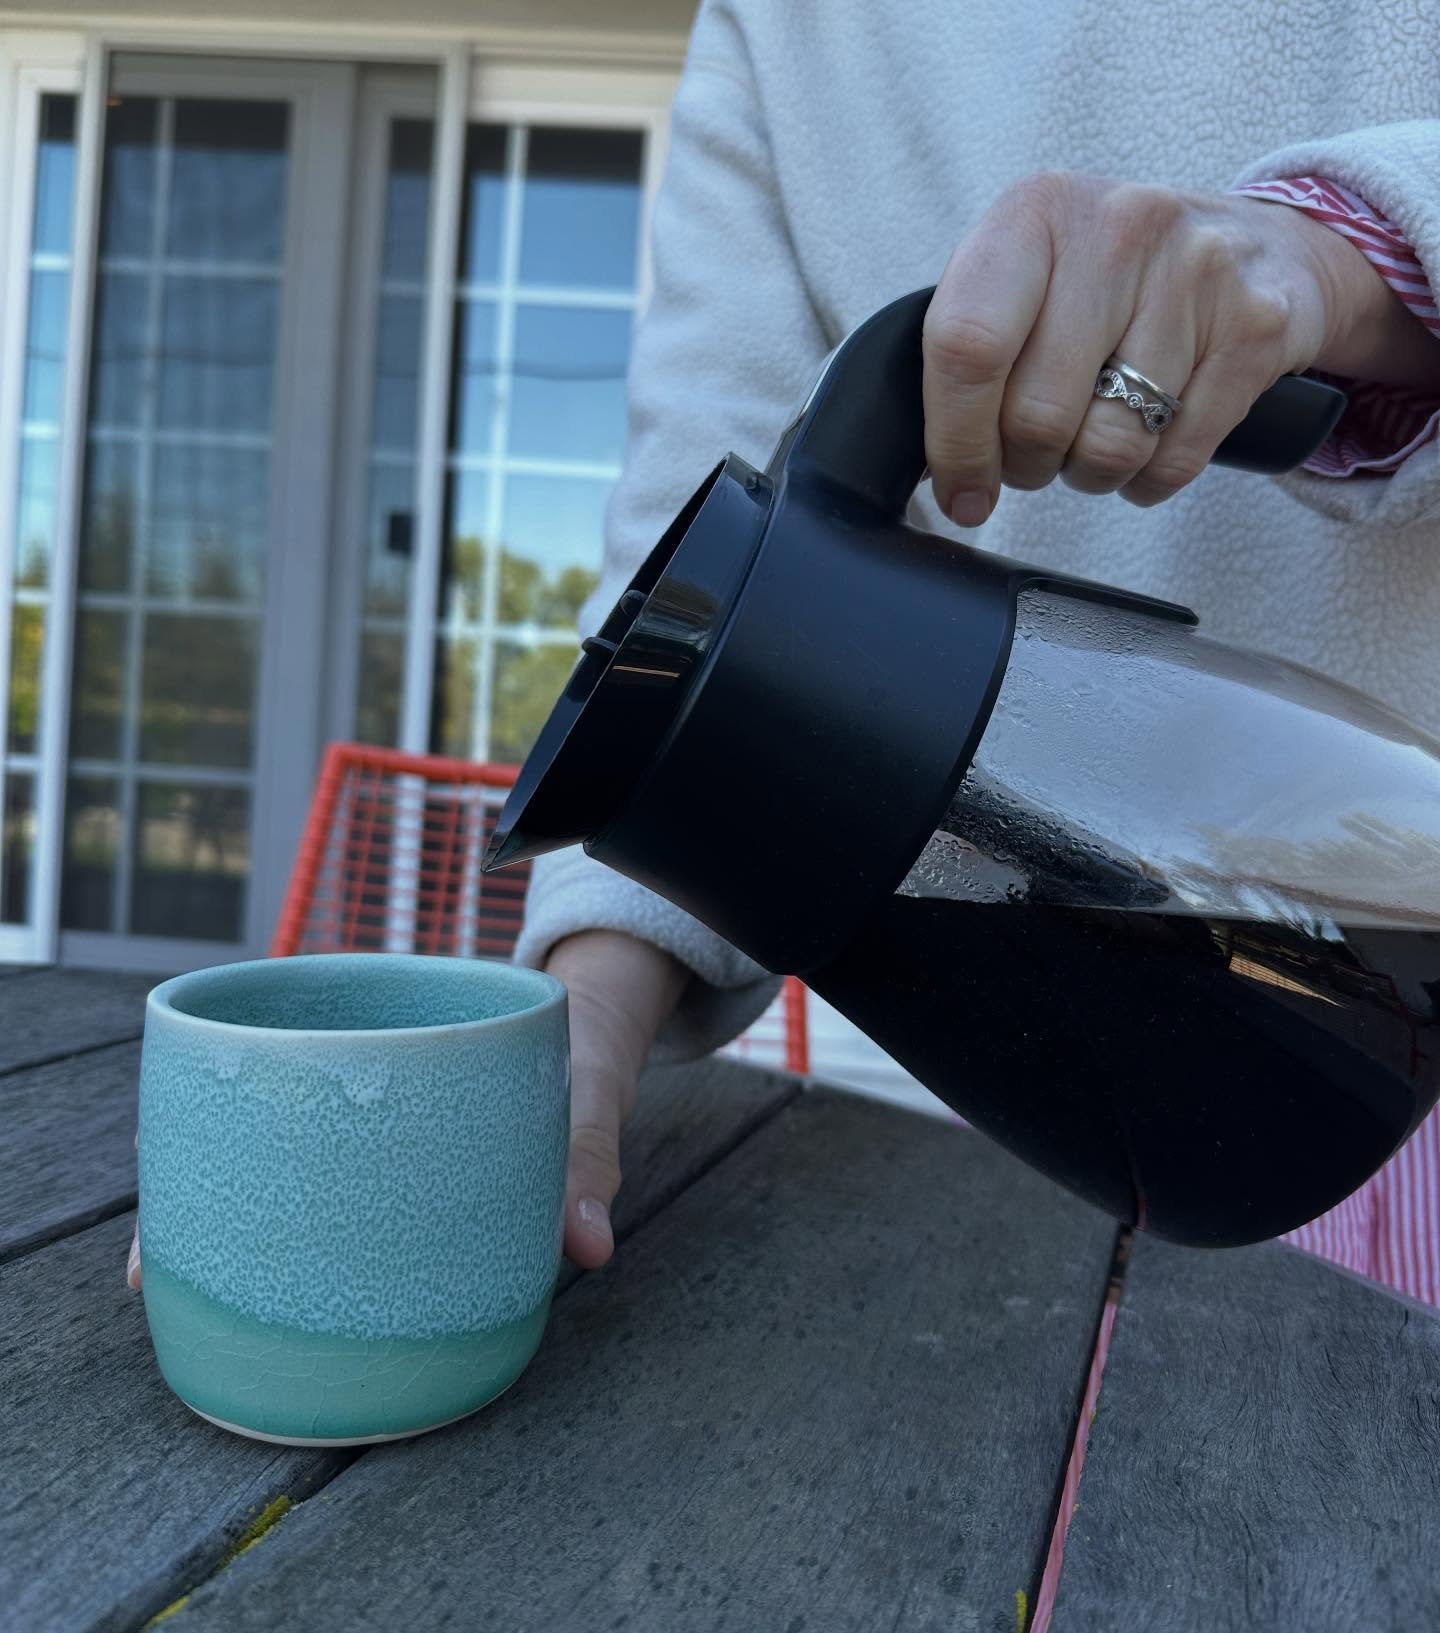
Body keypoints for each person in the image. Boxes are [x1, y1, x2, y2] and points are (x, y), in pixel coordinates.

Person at [125, 1, 1440, 1295]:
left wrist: (1334, 260)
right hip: (1101, 1124)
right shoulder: (782, 21)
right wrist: (583, 1033)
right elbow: (694, 559)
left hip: (1379, 901)